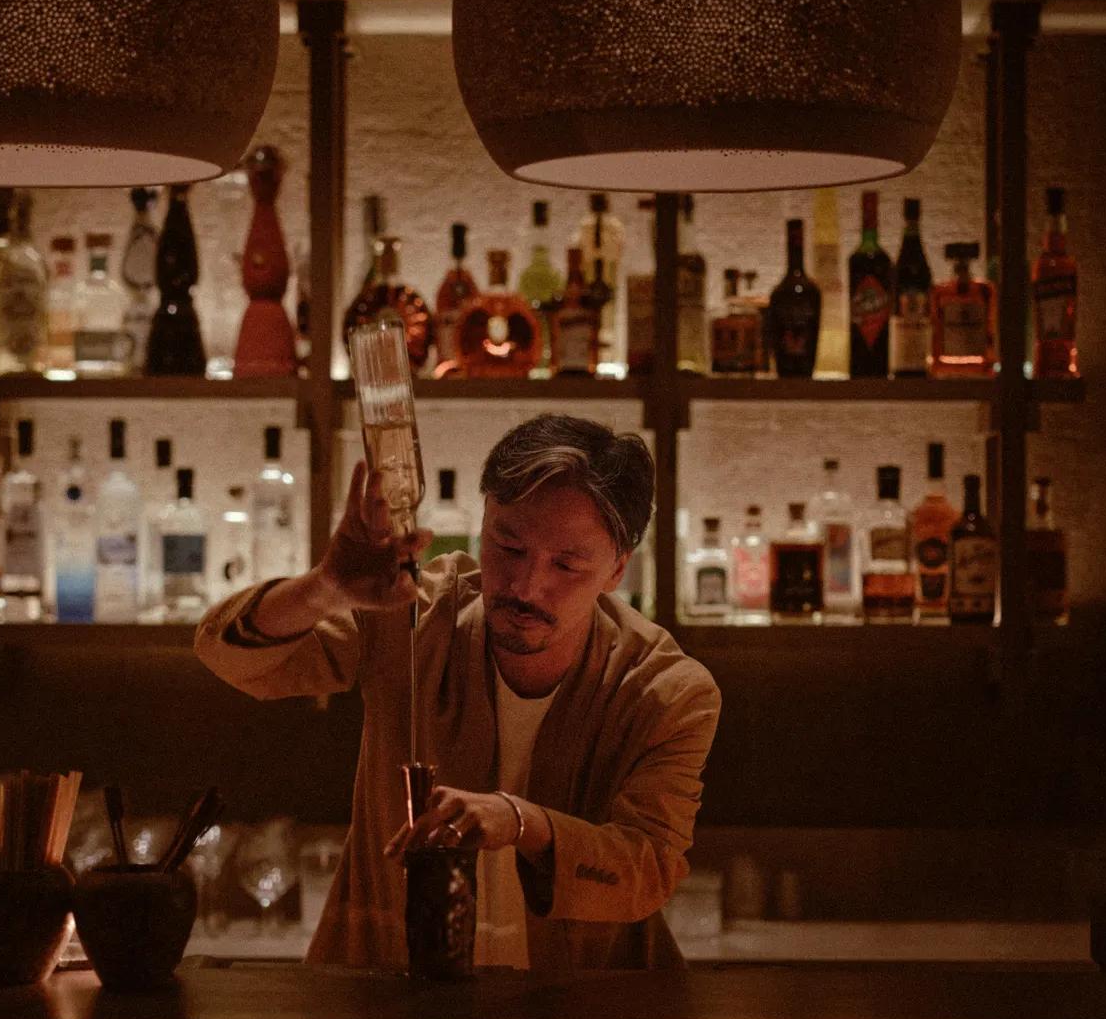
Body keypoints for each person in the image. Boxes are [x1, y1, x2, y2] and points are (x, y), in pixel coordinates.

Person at [196, 414, 720, 971]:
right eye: (508, 547)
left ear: (617, 570)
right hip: (389, 993)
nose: (526, 587)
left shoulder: (664, 691)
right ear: (483, 522)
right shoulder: (414, 615)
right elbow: (227, 655)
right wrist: (324, 588)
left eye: (566, 565)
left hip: (580, 1006)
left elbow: (647, 870)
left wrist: (519, 822)